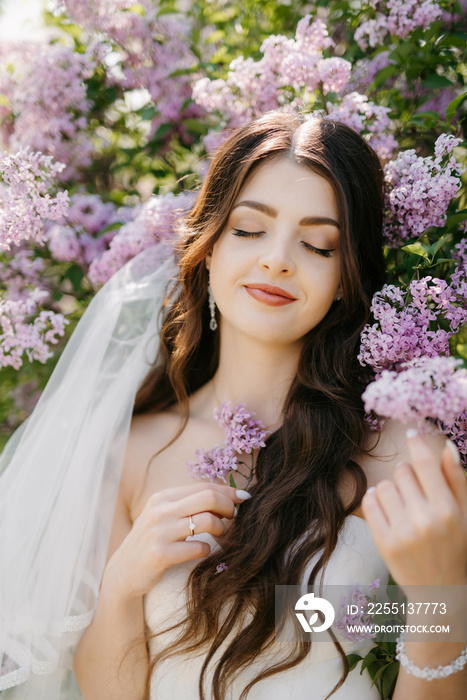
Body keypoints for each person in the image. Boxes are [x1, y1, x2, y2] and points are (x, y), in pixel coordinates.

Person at [1, 112, 466, 700]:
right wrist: (122, 583)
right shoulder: (131, 451)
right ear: (210, 245)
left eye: (318, 244)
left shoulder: (402, 451)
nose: (277, 259)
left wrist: (441, 601)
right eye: (249, 230)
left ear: (347, 276)